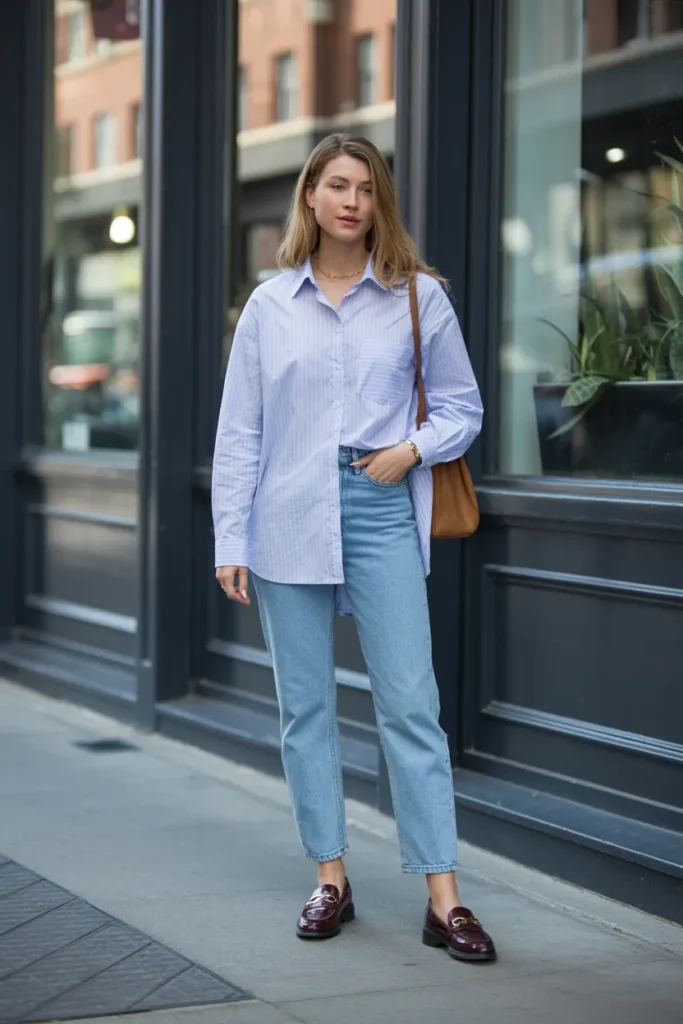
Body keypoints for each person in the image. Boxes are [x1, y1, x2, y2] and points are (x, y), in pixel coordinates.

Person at [212, 133, 495, 962]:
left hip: (378, 506)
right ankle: (330, 877)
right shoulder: (269, 306)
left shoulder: (418, 296)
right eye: (337, 185)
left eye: (366, 190)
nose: (351, 202)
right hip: (286, 513)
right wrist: (231, 537)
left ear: (380, 204)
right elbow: (240, 435)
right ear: (309, 196)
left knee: (410, 704)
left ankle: (443, 896)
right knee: (306, 709)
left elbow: (461, 408)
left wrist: (409, 451)